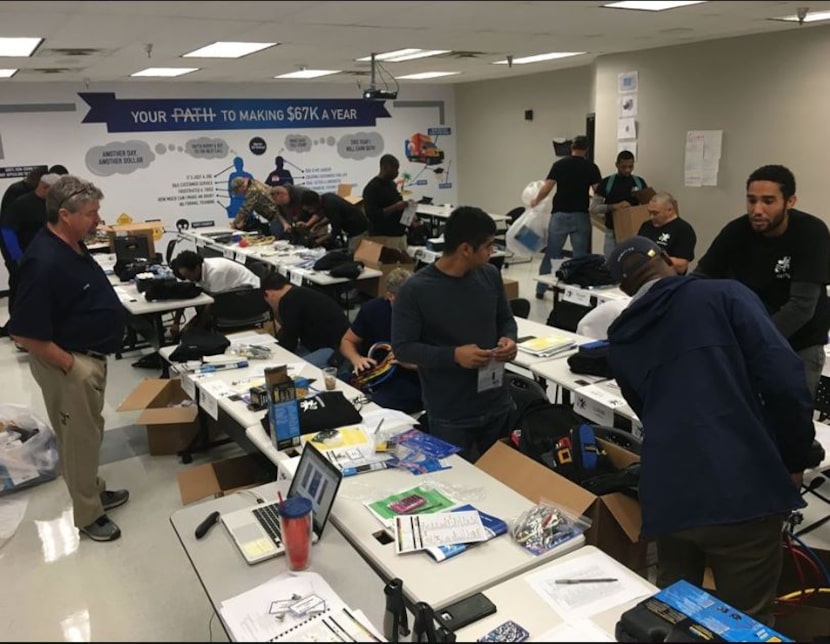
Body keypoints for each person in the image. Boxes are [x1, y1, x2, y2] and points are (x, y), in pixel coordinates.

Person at [606, 236, 814, 623]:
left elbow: (648, 411)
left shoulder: (621, 336)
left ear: (623, 287)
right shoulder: (726, 296)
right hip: (741, 491)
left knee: (675, 616)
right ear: (670, 259)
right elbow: (785, 379)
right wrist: (797, 456)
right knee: (745, 623)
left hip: (669, 494)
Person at [9, 175, 130, 542]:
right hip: (70, 363)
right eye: (92, 213)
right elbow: (23, 332)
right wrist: (70, 366)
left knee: (89, 434)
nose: (98, 219)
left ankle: (92, 488)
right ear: (65, 214)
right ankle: (88, 514)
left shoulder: (73, 246)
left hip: (87, 357)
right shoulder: (42, 261)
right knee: (77, 440)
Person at [392, 206, 517, 462]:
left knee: (505, 481)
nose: (493, 251)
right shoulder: (415, 290)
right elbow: (403, 348)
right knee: (459, 487)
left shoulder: (490, 275)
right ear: (466, 249)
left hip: (496, 401)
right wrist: (454, 355)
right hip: (451, 412)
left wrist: (509, 339)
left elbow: (505, 319)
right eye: (488, 245)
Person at [694, 164, 830, 398]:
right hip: (752, 338)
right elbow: (699, 279)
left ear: (790, 202)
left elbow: (801, 307)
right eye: (751, 200)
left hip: (800, 343)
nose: (757, 209)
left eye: (768, 201)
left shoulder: (811, 233)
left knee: (790, 423)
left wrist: (750, 341)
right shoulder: (736, 231)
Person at [340, 267, 422, 413]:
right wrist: (356, 359)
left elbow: (442, 365)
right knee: (338, 387)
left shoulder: (427, 314)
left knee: (370, 406)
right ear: (390, 296)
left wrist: (412, 364)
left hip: (410, 380)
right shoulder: (372, 309)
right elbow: (347, 342)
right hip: (373, 372)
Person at [531, 135, 602, 299]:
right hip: (580, 216)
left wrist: (536, 200)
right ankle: (576, 294)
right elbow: (598, 190)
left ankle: (541, 289)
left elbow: (547, 188)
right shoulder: (591, 167)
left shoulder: (559, 165)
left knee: (552, 253)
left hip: (560, 215)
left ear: (572, 148)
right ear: (587, 150)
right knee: (580, 256)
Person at [261, 272, 349, 369]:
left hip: (335, 351)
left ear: (269, 294)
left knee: (292, 369)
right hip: (335, 343)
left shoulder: (288, 302)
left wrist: (273, 356)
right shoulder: (300, 293)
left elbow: (289, 340)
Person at [169, 250, 261, 336]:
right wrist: (176, 323)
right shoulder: (193, 270)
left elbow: (212, 304)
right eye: (184, 276)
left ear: (197, 268)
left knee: (201, 321)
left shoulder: (215, 272)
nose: (188, 279)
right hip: (229, 292)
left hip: (249, 295)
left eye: (189, 276)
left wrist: (198, 328)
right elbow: (185, 295)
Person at [590, 150, 649, 258]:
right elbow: (594, 208)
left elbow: (648, 206)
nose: (627, 170)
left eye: (630, 167)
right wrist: (615, 206)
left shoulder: (639, 182)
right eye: (624, 167)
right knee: (610, 261)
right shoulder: (607, 183)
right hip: (611, 231)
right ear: (617, 165)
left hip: (634, 231)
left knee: (632, 262)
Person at [362, 154, 414, 251]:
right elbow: (372, 215)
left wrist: (409, 213)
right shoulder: (372, 188)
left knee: (404, 265)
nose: (397, 172)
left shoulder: (392, 185)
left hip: (399, 234)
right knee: (389, 265)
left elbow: (398, 203)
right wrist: (395, 207)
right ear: (384, 167)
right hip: (383, 237)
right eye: (394, 169)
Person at [636, 192, 696, 274]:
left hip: (668, 278)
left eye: (655, 213)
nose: (651, 217)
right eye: (649, 212)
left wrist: (656, 258)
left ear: (670, 210)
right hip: (644, 275)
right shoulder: (646, 225)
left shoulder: (683, 229)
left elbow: (681, 266)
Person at [298, 190, 369, 250]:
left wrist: (318, 241)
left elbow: (335, 232)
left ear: (314, 203)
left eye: (310, 209)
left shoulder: (331, 205)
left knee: (353, 254)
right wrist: (318, 225)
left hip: (358, 230)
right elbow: (330, 217)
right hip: (351, 228)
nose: (310, 212)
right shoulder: (326, 198)